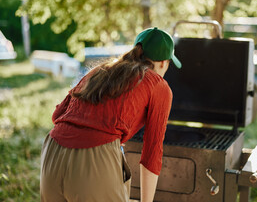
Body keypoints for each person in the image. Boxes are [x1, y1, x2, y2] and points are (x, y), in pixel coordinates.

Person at [40, 27, 182, 202]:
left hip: (52, 153)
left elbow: (58, 114)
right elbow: (152, 152)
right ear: (163, 63)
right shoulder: (158, 85)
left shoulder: (100, 71)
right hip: (93, 158)